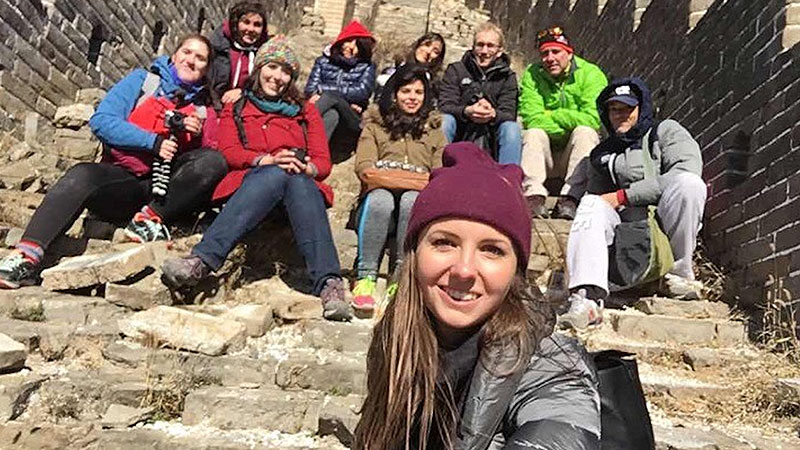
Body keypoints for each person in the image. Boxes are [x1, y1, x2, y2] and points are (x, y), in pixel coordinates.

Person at [353, 142, 601, 450]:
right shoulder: (395, 342)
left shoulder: (553, 365)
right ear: (414, 255)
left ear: (516, 271)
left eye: (492, 250)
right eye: (444, 242)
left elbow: (559, 433)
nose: (465, 269)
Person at [0, 34, 227, 290]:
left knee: (212, 161)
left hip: (163, 198)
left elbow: (211, 161)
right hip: (123, 181)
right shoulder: (143, 83)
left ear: (206, 69)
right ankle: (26, 255)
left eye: (201, 58)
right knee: (81, 175)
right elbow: (102, 121)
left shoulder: (204, 111)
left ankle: (148, 220)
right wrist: (152, 142)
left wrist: (196, 136)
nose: (192, 60)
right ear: (174, 56)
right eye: (187, 52)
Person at [160, 36, 352, 321]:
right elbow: (229, 152)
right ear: (260, 67)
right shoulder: (237, 106)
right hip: (250, 186)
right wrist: (266, 160)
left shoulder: (305, 111)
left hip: (297, 191)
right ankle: (201, 261)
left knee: (295, 178)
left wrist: (305, 166)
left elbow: (322, 163)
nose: (277, 77)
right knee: (275, 172)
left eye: (286, 71)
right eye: (272, 67)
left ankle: (329, 284)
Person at [560, 77, 706, 331]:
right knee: (590, 204)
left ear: (642, 108)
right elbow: (597, 205)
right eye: (614, 110)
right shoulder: (601, 153)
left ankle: (678, 275)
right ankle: (587, 298)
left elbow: (686, 170)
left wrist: (623, 196)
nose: (621, 115)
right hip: (625, 231)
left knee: (689, 185)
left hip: (663, 222)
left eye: (628, 108)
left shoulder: (667, 132)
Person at [352, 64, 446, 313]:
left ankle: (401, 277)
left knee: (411, 200)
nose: (412, 98)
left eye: (418, 92)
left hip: (414, 206)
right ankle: (366, 277)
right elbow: (365, 169)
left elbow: (439, 173)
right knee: (382, 198)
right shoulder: (375, 126)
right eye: (406, 91)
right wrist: (415, 176)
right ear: (394, 93)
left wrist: (391, 174)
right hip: (375, 204)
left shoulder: (434, 131)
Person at [519, 26, 607, 219]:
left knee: (585, 132)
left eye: (555, 51)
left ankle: (570, 198)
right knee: (533, 133)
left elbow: (593, 119)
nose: (549, 58)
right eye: (544, 53)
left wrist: (552, 114)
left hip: (574, 155)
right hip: (546, 156)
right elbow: (532, 118)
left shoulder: (591, 74)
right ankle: (533, 196)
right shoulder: (532, 74)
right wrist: (568, 120)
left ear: (569, 52)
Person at [438, 22, 521, 165]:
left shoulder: (508, 77)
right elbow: (445, 105)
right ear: (473, 47)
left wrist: (492, 113)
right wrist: (467, 111)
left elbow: (509, 113)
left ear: (499, 51)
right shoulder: (456, 70)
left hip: (492, 135)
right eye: (480, 45)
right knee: (444, 120)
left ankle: (508, 180)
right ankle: (437, 171)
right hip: (461, 130)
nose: (484, 51)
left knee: (512, 128)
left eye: (490, 46)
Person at [304, 20, 377, 141]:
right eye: (348, 41)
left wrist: (324, 91)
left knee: (330, 97)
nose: (351, 47)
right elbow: (310, 89)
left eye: (356, 43)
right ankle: (314, 154)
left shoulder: (367, 66)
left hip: (352, 115)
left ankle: (301, 124)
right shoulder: (323, 61)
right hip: (326, 109)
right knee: (332, 115)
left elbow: (362, 91)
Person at [208, 1, 270, 108]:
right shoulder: (216, 47)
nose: (251, 29)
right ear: (235, 23)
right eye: (246, 22)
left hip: (249, 106)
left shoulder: (266, 53)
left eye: (257, 25)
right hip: (214, 106)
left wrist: (243, 92)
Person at [375, 32, 446, 104]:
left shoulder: (434, 83)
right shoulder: (394, 66)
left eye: (435, 51)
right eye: (427, 45)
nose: (428, 51)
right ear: (418, 44)